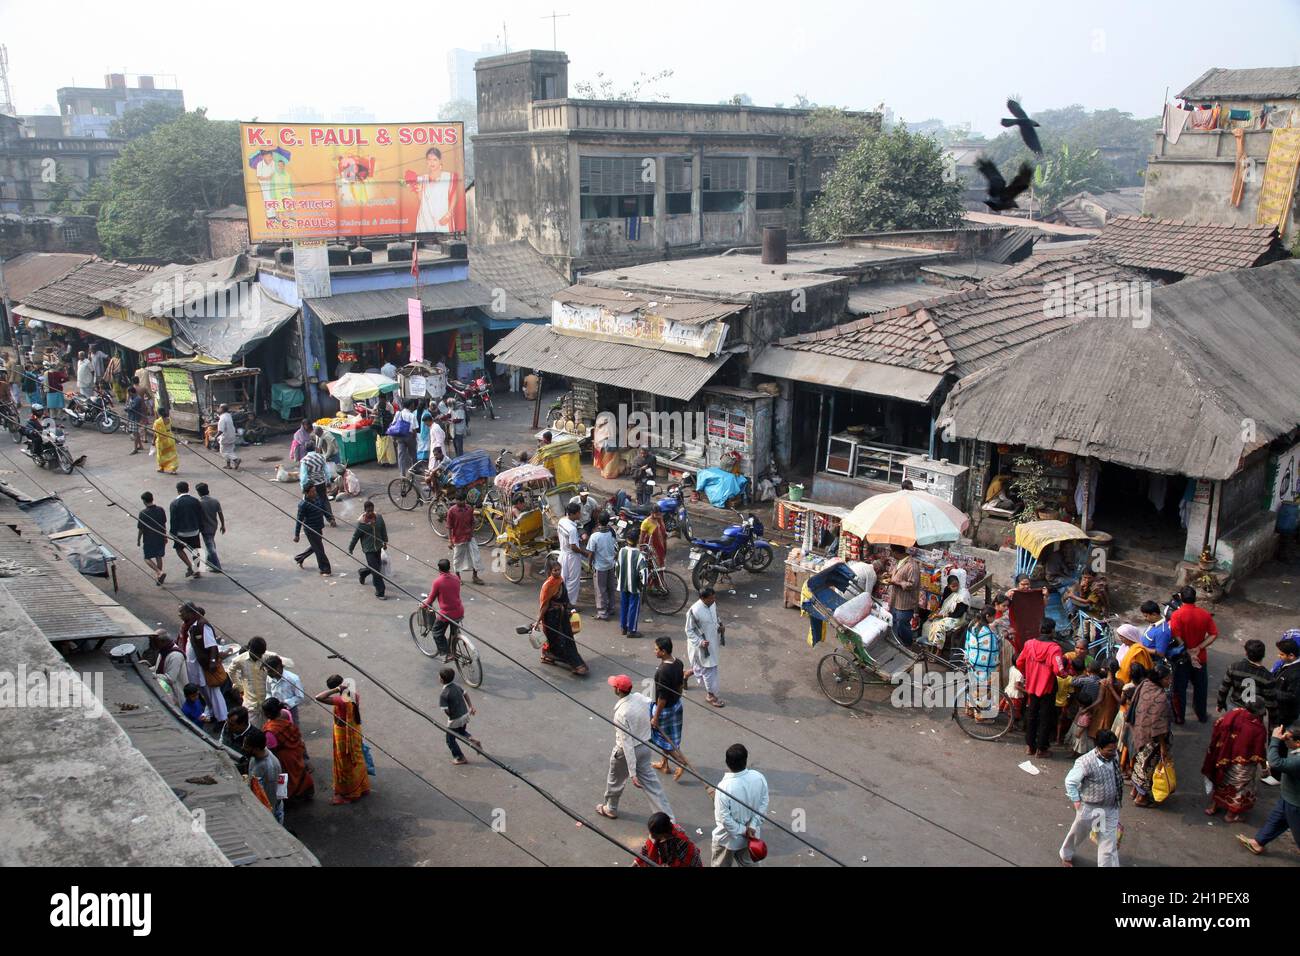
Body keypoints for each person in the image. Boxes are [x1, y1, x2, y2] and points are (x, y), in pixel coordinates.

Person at [595, 674, 673, 821]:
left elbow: (627, 744)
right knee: (653, 787)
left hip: (626, 753)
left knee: (615, 780)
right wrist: (654, 718)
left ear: (618, 690)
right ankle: (669, 821)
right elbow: (652, 703)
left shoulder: (620, 713)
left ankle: (610, 808)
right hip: (644, 748)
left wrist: (632, 772)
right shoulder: (639, 697)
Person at [1059, 729, 1123, 867]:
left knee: (1108, 843)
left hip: (1111, 808)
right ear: (1099, 748)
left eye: (1114, 749)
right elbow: (1070, 782)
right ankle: (1066, 854)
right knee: (1078, 834)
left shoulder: (1114, 756)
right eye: (1110, 750)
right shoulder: (1085, 762)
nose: (1114, 753)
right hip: (1090, 808)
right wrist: (1076, 801)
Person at [1237, 721, 1300, 856]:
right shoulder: (1296, 751)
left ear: (1298, 743)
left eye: (1287, 738)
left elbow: (1275, 762)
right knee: (1276, 819)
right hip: (1288, 797)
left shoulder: (1298, 760)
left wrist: (1275, 740)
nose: (1284, 739)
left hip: (1295, 803)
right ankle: (1258, 843)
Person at [1203, 701, 1268, 823]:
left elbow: (1219, 725)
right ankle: (1231, 815)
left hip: (1224, 757)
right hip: (1243, 764)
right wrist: (1264, 767)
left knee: (1222, 782)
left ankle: (1213, 807)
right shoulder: (1258, 728)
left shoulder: (1234, 714)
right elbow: (1260, 752)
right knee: (1239, 788)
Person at [315, 676, 371, 805]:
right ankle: (362, 787)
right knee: (357, 759)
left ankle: (350, 793)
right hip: (355, 732)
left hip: (344, 736)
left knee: (345, 763)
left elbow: (319, 697)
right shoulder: (354, 695)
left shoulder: (341, 700)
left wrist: (335, 690)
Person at [711, 743, 769, 867]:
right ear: (746, 760)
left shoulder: (724, 787)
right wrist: (752, 826)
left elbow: (725, 819)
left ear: (727, 762)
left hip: (728, 840)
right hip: (751, 837)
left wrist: (743, 830)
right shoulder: (758, 777)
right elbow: (764, 803)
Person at [1169, 585, 1218, 724]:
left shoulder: (1176, 615)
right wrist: (1199, 648)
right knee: (1201, 688)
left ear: (1180, 598)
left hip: (1182, 658)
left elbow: (1176, 636)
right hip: (1200, 658)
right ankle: (1201, 715)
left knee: (1180, 689)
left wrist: (1188, 649)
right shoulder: (1204, 614)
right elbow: (1214, 634)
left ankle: (1180, 717)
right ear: (1195, 598)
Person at [1017, 619, 1066, 758]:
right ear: (1052, 631)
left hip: (1032, 685)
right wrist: (1065, 674)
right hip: (1048, 687)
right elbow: (1059, 669)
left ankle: (1029, 746)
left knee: (1031, 714)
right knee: (1045, 717)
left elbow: (1020, 662)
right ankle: (1041, 749)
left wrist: (1028, 674)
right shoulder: (1054, 648)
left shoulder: (1029, 644)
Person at [1129, 662, 1173, 807]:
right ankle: (1141, 798)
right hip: (1152, 739)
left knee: (1139, 762)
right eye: (1167, 679)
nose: (1169, 681)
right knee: (1148, 767)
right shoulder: (1160, 698)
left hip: (1139, 731)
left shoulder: (1145, 685)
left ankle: (1135, 790)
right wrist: (1163, 747)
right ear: (1159, 679)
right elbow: (1159, 727)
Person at [650, 637, 692, 783]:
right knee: (671, 737)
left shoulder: (663, 671)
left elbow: (662, 698)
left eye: (656, 649)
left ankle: (681, 762)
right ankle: (664, 764)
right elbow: (680, 684)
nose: (654, 651)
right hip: (676, 705)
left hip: (665, 709)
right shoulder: (678, 662)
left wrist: (656, 717)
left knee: (661, 740)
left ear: (663, 651)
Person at [536, 561, 588, 674]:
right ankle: (573, 664)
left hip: (562, 615)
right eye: (555, 570)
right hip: (551, 617)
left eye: (559, 569)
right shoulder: (548, 585)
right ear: (550, 571)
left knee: (568, 639)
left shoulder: (560, 580)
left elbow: (565, 599)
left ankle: (572, 661)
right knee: (558, 640)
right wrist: (538, 621)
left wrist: (569, 610)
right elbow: (544, 605)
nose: (558, 572)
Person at [226, 636, 292, 723]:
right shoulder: (239, 660)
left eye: (261, 653)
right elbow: (230, 671)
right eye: (258, 654)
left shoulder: (266, 657)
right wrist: (239, 686)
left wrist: (277, 665)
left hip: (266, 698)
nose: (259, 656)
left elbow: (288, 663)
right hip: (250, 701)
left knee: (271, 724)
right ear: (251, 650)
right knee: (252, 725)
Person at [182, 604, 228, 724]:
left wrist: (212, 662)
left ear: (190, 612)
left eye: (182, 612)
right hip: (197, 668)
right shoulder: (190, 626)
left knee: (214, 692)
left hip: (206, 667)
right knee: (205, 693)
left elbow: (212, 646)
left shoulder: (202, 625)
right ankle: (212, 714)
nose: (180, 615)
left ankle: (222, 719)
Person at [262, 698, 314, 800]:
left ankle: (289, 798)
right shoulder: (286, 715)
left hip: (283, 758)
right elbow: (297, 736)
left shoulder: (270, 730)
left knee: (287, 779)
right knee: (299, 774)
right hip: (295, 752)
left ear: (267, 714)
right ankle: (305, 792)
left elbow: (271, 749)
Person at [1217, 639, 1278, 724]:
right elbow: (1271, 705)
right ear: (1263, 655)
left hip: (1234, 707)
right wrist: (1272, 728)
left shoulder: (1234, 668)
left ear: (1246, 653)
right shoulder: (1267, 678)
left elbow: (1223, 688)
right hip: (1255, 712)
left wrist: (1220, 704)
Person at [685, 587, 725, 708]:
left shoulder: (712, 604)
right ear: (703, 598)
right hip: (701, 647)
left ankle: (685, 675)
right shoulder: (694, 611)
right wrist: (700, 642)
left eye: (714, 597)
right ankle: (710, 695)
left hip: (712, 643)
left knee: (704, 667)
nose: (714, 599)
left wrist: (719, 627)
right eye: (711, 598)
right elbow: (689, 631)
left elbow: (715, 618)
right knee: (709, 669)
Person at [963, 605, 1001, 716]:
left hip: (972, 662)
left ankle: (969, 709)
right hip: (984, 666)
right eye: (993, 617)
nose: (994, 619)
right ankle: (979, 715)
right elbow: (991, 650)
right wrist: (997, 665)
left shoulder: (972, 626)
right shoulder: (987, 632)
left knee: (973, 686)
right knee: (983, 689)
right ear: (988, 616)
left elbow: (967, 643)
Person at [438, 667, 481, 765]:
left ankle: (460, 757)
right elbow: (465, 694)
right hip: (465, 715)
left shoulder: (444, 694)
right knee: (461, 731)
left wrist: (451, 717)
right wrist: (470, 706)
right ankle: (472, 739)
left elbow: (446, 710)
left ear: (441, 680)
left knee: (450, 740)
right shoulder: (456, 686)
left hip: (455, 719)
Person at [920, 570, 970, 652]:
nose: (955, 588)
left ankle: (938, 650)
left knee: (939, 626)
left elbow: (958, 613)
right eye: (953, 586)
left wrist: (941, 616)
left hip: (957, 618)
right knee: (927, 624)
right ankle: (929, 648)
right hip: (945, 614)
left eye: (957, 585)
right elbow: (943, 602)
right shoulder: (947, 590)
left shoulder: (963, 595)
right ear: (949, 586)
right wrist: (937, 612)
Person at [242, 728, 285, 823]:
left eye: (246, 746)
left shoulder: (269, 769)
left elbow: (270, 800)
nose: (243, 748)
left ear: (256, 748)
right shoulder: (256, 757)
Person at [349, 499, 389, 599]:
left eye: (372, 510)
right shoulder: (361, 524)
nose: (370, 513)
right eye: (368, 511)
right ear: (365, 511)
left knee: (376, 568)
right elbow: (355, 537)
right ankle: (380, 592)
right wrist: (351, 548)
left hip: (378, 547)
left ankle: (363, 573)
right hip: (368, 550)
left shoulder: (379, 518)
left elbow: (383, 530)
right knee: (376, 572)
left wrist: (385, 542)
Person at [426, 558, 465, 662]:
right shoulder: (456, 578)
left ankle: (447, 653)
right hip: (460, 611)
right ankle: (453, 648)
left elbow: (430, 599)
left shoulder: (438, 582)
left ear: (439, 569)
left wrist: (423, 605)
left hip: (447, 614)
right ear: (449, 567)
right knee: (453, 632)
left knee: (436, 632)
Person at [634, 811, 703, 868]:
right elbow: (645, 850)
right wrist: (635, 863)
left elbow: (679, 863)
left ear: (664, 833)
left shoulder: (680, 841)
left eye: (654, 834)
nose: (651, 836)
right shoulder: (656, 834)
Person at [293, 485, 333, 575]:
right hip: (311, 530)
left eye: (315, 490)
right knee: (319, 549)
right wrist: (297, 535)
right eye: (312, 491)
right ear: (306, 493)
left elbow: (323, 509)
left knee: (316, 546)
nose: (315, 493)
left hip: (318, 527)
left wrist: (330, 519)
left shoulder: (317, 498)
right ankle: (325, 568)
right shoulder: (303, 505)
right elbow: (299, 520)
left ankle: (300, 558)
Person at [446, 491, 484, 585]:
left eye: (463, 500)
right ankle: (457, 577)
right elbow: (449, 527)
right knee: (458, 559)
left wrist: (472, 530)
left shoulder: (469, 509)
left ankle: (475, 576)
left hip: (470, 537)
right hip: (458, 538)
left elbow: (472, 522)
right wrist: (450, 541)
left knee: (476, 557)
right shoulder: (451, 511)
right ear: (456, 500)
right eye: (459, 501)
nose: (461, 503)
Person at [169, 481, 204, 580]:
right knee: (197, 550)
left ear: (178, 491)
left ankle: (189, 565)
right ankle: (198, 571)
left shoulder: (174, 503)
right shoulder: (195, 501)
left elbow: (173, 520)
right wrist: (200, 528)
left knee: (179, 549)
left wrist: (173, 532)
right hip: (194, 531)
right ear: (188, 489)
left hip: (181, 533)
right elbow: (200, 516)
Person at [556, 500, 588, 607]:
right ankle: (570, 604)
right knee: (573, 581)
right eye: (578, 512)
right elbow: (574, 547)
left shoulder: (561, 521)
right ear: (573, 514)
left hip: (563, 554)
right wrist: (584, 553)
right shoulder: (572, 529)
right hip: (572, 556)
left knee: (563, 579)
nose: (580, 514)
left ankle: (561, 600)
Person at [588, 514, 619, 621]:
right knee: (610, 588)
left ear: (598, 522)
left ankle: (602, 612)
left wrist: (589, 564)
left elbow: (591, 553)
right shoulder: (612, 533)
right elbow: (616, 547)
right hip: (611, 565)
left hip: (600, 567)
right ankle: (611, 608)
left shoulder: (594, 536)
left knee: (601, 590)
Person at [886, 545, 920, 646]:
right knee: (895, 624)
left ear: (896, 552)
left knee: (902, 626)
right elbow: (896, 576)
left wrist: (896, 583)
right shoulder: (898, 563)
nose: (891, 555)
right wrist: (888, 576)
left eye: (892, 552)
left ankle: (907, 645)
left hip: (905, 603)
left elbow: (912, 584)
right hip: (895, 601)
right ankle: (898, 644)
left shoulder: (912, 566)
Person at [617, 529, 648, 638]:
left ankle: (623, 627)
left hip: (623, 583)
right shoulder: (639, 555)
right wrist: (644, 585)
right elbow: (643, 572)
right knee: (633, 607)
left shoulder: (622, 551)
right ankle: (632, 630)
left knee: (624, 605)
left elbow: (617, 567)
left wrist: (619, 579)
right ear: (637, 540)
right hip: (634, 586)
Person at [263, 655, 305, 725]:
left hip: (290, 709)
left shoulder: (293, 679)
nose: (268, 674)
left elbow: (300, 697)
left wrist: (285, 703)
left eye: (270, 671)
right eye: (267, 671)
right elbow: (269, 692)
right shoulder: (269, 677)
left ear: (278, 667)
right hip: (273, 711)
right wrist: (268, 701)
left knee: (292, 728)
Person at [150, 628, 188, 709]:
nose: (152, 644)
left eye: (154, 642)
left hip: (176, 693)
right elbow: (159, 667)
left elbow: (170, 678)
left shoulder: (175, 656)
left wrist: (153, 675)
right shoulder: (164, 651)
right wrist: (149, 669)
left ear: (162, 642)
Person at [136, 491, 168, 586]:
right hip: (160, 536)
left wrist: (138, 540)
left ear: (144, 501)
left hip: (149, 538)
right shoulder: (160, 509)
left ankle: (159, 572)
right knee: (159, 556)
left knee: (147, 558)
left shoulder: (143, 513)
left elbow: (141, 529)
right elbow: (163, 524)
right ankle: (159, 577)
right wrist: (165, 536)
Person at [299, 445, 336, 525]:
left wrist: (303, 487)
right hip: (321, 483)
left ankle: (311, 520)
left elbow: (304, 476)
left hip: (311, 485)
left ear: (306, 450)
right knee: (324, 500)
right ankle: (331, 519)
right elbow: (326, 470)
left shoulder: (305, 460)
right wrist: (328, 481)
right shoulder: (321, 457)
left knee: (310, 502)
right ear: (314, 448)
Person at [195, 482, 224, 574]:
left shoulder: (199, 503)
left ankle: (217, 566)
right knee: (211, 542)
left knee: (210, 547)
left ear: (199, 493)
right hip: (214, 526)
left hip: (205, 528)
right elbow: (220, 514)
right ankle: (209, 560)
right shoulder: (215, 501)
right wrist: (223, 525)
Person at [1275, 635, 1300, 729]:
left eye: (1281, 654)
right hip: (1280, 711)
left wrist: (1273, 692)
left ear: (1291, 656)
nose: (1278, 656)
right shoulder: (1287, 664)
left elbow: (1293, 696)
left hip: (1285, 716)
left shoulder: (1296, 674)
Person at [392, 398, 419, 475]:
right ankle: (413, 471)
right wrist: (415, 437)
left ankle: (402, 474)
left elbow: (393, 424)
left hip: (400, 436)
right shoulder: (411, 415)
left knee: (401, 456)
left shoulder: (398, 413)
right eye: (413, 404)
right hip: (410, 436)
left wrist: (394, 438)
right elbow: (414, 429)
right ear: (410, 405)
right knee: (413, 455)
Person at [154, 409, 179, 474]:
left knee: (161, 455)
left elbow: (156, 433)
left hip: (162, 441)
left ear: (159, 413)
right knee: (172, 454)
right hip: (170, 438)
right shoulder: (168, 419)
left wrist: (153, 441)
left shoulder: (157, 422)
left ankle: (162, 468)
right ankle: (173, 470)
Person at [125, 385, 145, 454]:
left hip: (135, 418)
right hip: (131, 417)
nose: (128, 394)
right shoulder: (132, 398)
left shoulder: (137, 399)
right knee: (136, 433)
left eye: (128, 393)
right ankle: (140, 446)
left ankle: (135, 448)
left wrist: (127, 408)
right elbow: (128, 405)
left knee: (135, 434)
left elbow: (131, 408)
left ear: (131, 392)